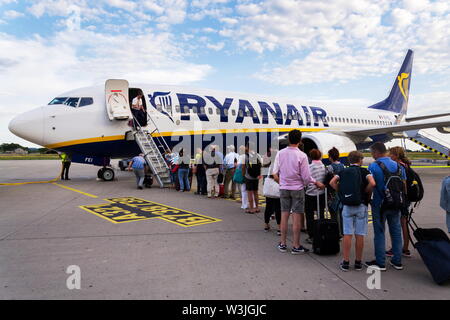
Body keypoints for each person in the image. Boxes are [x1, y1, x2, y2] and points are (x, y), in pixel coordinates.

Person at [272, 129, 325, 254]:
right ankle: (296, 245)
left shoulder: (280, 153)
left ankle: (283, 244)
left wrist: (282, 183)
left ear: (289, 139)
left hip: (284, 188)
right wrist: (315, 182)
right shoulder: (302, 155)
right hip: (297, 189)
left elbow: (274, 174)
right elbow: (306, 177)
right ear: (300, 140)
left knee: (284, 215)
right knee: (296, 217)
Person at [330, 151, 376, 271]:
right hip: (361, 205)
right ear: (360, 160)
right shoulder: (364, 171)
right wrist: (366, 191)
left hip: (347, 205)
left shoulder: (343, 171)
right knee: (360, 234)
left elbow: (332, 182)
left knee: (347, 233)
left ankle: (345, 261)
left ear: (349, 160)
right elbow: (373, 183)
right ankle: (358, 262)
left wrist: (341, 191)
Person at [366, 142, 406, 271]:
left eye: (372, 153)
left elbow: (371, 185)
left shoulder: (374, 166)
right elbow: (403, 185)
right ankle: (397, 261)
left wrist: (367, 197)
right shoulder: (399, 166)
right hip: (396, 202)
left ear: (377, 152)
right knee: (396, 231)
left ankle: (380, 262)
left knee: (379, 232)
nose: (372, 155)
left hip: (380, 203)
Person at [387, 146, 412, 257]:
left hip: (401, 198)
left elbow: (404, 184)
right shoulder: (405, 165)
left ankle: (396, 248)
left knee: (396, 224)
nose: (389, 156)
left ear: (396, 155)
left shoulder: (399, 166)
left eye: (391, 154)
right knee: (403, 224)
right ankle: (405, 248)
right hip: (405, 199)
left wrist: (402, 198)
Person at [304, 149, 327, 244]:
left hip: (310, 194)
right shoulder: (323, 166)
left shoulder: (309, 167)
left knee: (309, 216)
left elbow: (305, 180)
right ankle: (321, 232)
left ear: (310, 157)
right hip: (321, 194)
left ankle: (311, 235)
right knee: (320, 214)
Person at [264, 152, 281, 236]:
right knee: (278, 208)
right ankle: (279, 227)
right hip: (276, 189)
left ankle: (266, 225)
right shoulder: (276, 164)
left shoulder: (270, 164)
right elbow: (275, 177)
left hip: (269, 191)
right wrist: (281, 183)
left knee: (268, 207)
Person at [242, 142, 262, 214]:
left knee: (249, 193)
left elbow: (243, 167)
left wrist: (243, 175)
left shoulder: (245, 156)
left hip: (248, 177)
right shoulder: (258, 155)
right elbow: (260, 165)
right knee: (256, 192)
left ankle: (251, 209)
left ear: (247, 147)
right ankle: (257, 207)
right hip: (256, 177)